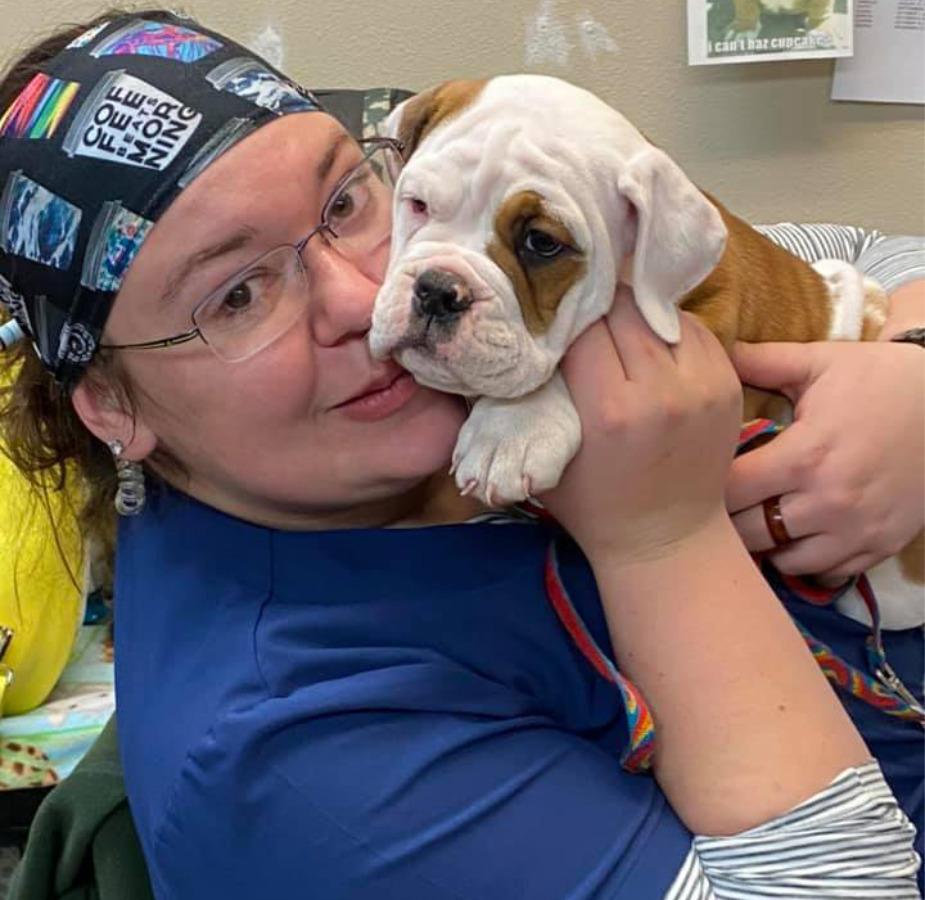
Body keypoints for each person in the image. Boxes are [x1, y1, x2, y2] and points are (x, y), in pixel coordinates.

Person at [1, 9, 922, 899]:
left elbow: (836, 248)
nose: (365, 299)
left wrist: (905, 367)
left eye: (347, 200)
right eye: (237, 294)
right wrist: (662, 538)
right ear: (112, 405)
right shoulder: (307, 766)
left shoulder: (366, 464)